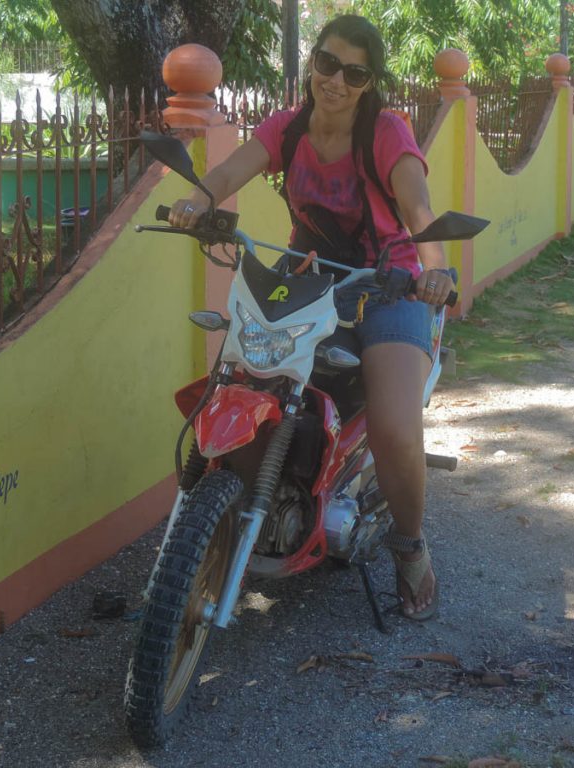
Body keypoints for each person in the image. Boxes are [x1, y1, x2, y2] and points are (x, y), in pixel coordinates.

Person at [168, 14, 451, 620]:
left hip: (389, 286)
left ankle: (409, 547)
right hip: (312, 279)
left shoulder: (385, 132)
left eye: (354, 72)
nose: (336, 81)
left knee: (395, 426)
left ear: (369, 82)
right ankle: (236, 517)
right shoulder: (288, 128)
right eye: (327, 64)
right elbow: (225, 173)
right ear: (312, 63)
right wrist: (196, 201)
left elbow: (419, 209)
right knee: (246, 376)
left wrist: (437, 269)